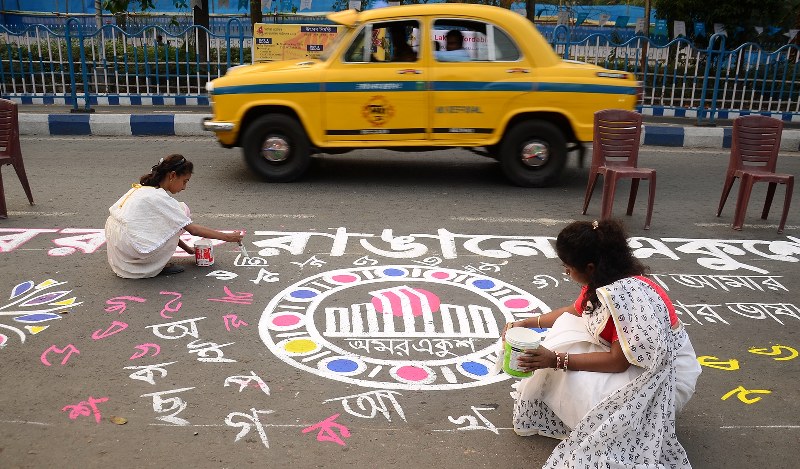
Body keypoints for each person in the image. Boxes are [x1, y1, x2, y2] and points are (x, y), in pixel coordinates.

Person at [507, 219, 701, 468]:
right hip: (630, 357)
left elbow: (618, 362)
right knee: (565, 330)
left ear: (589, 267)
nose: (566, 273)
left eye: (568, 268)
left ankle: (603, 421)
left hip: (663, 377)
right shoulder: (603, 279)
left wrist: (555, 360)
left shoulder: (627, 299)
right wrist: (527, 323)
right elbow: (574, 311)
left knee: (568, 370)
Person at [104, 154, 244, 278]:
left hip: (121, 247)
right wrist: (228, 237)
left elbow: (169, 228)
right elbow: (192, 229)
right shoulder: (159, 197)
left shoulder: (145, 189)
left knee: (176, 216)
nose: (184, 187)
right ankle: (154, 263)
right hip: (132, 248)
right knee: (182, 210)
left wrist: (188, 249)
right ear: (172, 176)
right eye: (184, 181)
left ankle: (149, 260)